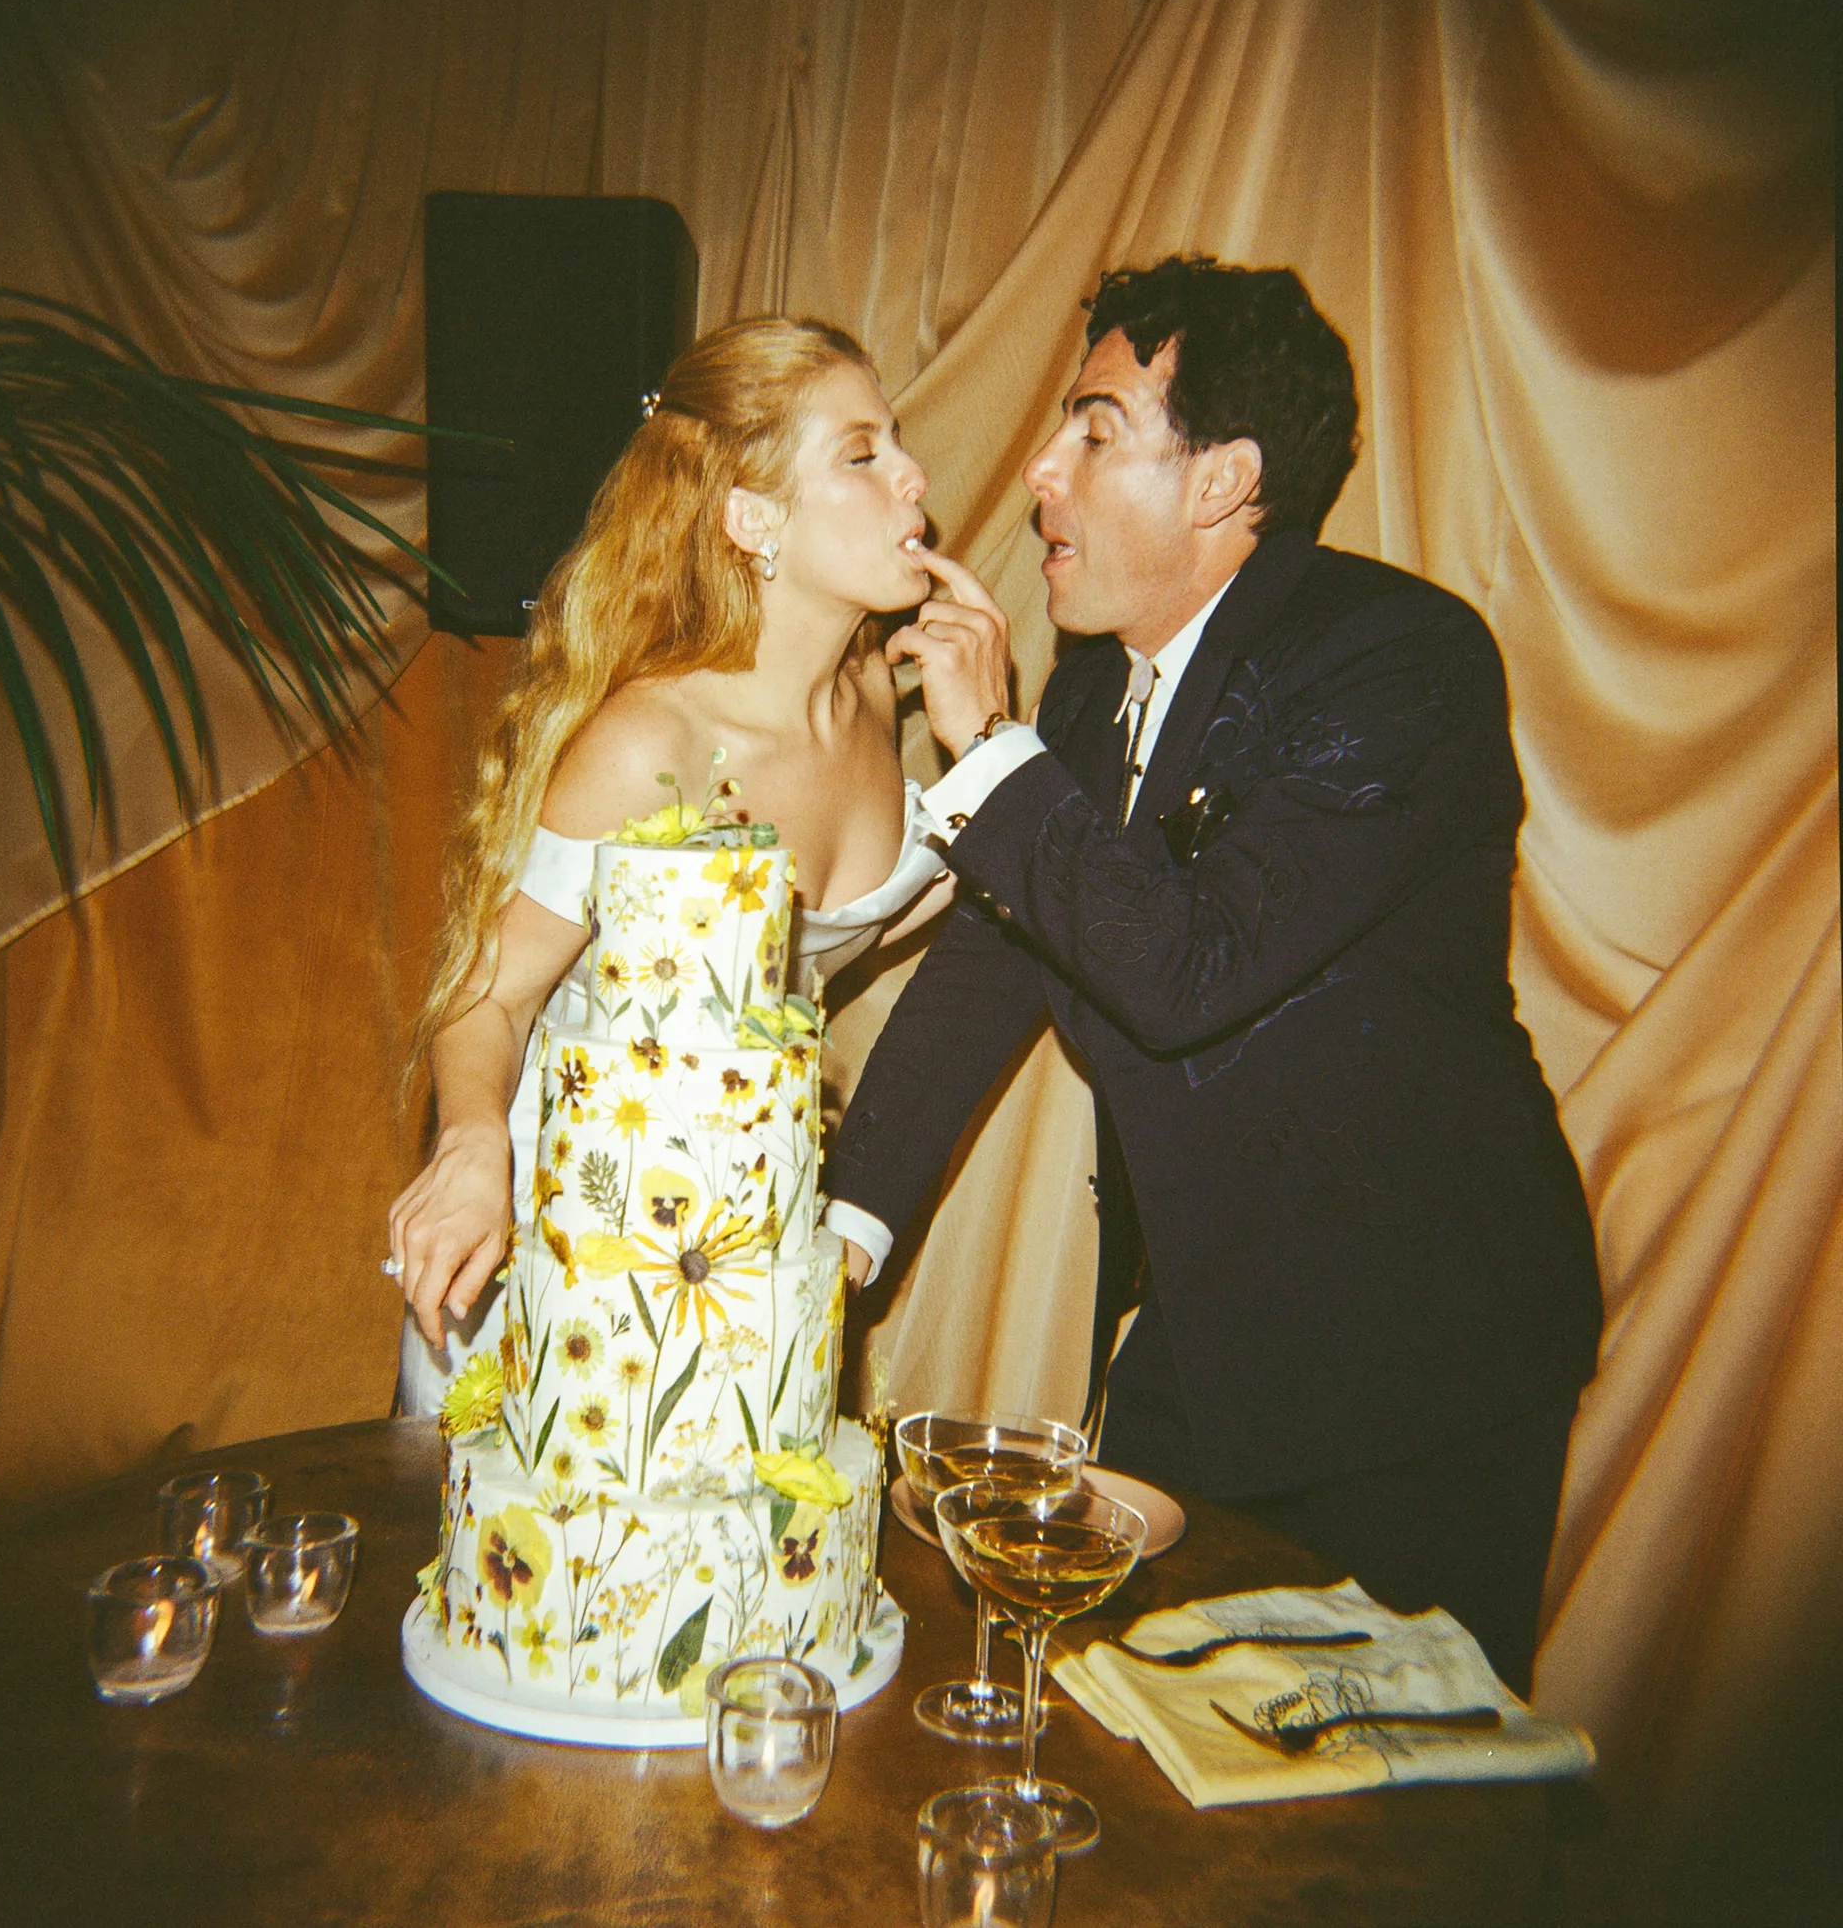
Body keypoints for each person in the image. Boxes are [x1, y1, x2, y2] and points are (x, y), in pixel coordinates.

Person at [825, 256, 1602, 1695]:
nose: (1041, 469)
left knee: (1390, 1830)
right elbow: (995, 963)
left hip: (1421, 1354)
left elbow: (1190, 968)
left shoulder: (1401, 662)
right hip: (1207, 1332)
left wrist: (988, 752)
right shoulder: (1085, 686)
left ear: (1225, 479)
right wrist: (837, 1249)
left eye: (1097, 429)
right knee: (1124, 1740)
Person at [387, 315, 966, 1413]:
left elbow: (814, 951)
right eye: (862, 454)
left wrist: (984, 745)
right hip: (562, 1227)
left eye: (897, 440)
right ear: (752, 519)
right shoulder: (649, 743)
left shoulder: (879, 697)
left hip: (728, 1224)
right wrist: (470, 1150)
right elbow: (493, 988)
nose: (913, 475)